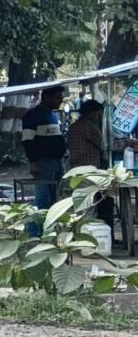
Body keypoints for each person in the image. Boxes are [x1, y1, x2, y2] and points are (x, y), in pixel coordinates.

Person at [22, 85, 68, 234]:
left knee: (54, 199)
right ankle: (34, 233)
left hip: (57, 162)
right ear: (46, 97)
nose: (60, 101)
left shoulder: (53, 115)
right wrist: (33, 162)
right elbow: (27, 141)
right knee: (43, 199)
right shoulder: (33, 116)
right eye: (57, 97)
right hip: (43, 163)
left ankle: (47, 230)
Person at [67, 98, 114, 227]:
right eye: (99, 114)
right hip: (89, 170)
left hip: (76, 169)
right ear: (93, 113)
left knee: (83, 204)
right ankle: (88, 233)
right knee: (88, 205)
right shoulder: (88, 126)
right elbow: (104, 144)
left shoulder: (75, 125)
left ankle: (84, 231)